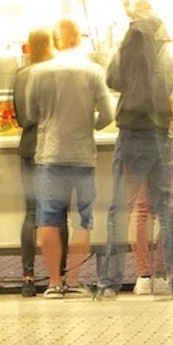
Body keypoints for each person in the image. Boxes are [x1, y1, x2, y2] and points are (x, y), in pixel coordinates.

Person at [20, 20, 113, 296]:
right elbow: (108, 114)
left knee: (48, 218)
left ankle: (53, 283)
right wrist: (89, 126)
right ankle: (72, 281)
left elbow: (29, 113)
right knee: (83, 221)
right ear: (79, 39)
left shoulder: (38, 72)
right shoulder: (94, 72)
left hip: (49, 154)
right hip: (83, 155)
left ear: (57, 41)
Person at [104, 12, 173, 295]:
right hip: (159, 136)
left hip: (129, 135)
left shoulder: (124, 57)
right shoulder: (169, 57)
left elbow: (110, 81)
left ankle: (129, 278)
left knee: (133, 209)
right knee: (166, 208)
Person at [11, 29, 54, 293]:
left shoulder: (21, 75)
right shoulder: (54, 72)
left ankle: (28, 277)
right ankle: (56, 277)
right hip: (51, 148)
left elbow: (20, 117)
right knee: (55, 214)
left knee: (30, 213)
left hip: (28, 147)